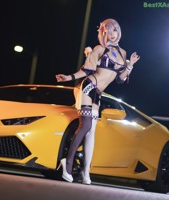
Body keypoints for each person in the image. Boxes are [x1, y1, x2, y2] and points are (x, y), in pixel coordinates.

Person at [55, 18, 140, 184]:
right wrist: (69, 77)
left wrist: (131, 65)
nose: (112, 34)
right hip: (88, 87)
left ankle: (86, 172)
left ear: (119, 32)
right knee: (85, 126)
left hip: (98, 94)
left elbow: (120, 80)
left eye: (115, 30)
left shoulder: (123, 54)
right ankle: (68, 163)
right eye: (108, 31)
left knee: (92, 132)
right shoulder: (99, 48)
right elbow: (86, 69)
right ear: (103, 33)